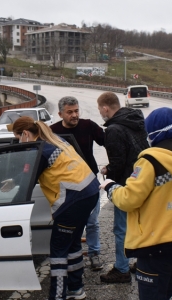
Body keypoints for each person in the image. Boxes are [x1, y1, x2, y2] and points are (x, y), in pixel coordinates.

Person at [100, 107, 172, 299]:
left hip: (156, 245)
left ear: (153, 131)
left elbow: (129, 200)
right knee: (166, 292)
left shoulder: (150, 162)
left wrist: (111, 187)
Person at [7, 116, 99, 300]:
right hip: (89, 193)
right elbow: (28, 171)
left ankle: (57, 296)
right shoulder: (54, 140)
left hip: (73, 200)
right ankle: (76, 289)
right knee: (72, 244)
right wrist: (14, 179)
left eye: (17, 137)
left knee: (58, 251)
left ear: (25, 134)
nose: (17, 141)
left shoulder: (39, 150)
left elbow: (29, 180)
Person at [96, 91, 149, 283]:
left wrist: (109, 177)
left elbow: (118, 163)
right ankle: (142, 262)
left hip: (126, 185)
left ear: (105, 108)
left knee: (121, 229)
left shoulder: (113, 130)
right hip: (144, 181)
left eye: (100, 109)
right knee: (141, 226)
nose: (101, 113)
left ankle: (122, 268)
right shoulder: (137, 120)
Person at [50, 96, 106, 271]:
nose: (74, 115)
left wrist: (113, 164)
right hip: (66, 187)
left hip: (90, 183)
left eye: (76, 111)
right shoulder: (53, 132)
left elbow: (110, 142)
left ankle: (94, 253)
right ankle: (70, 254)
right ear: (60, 114)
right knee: (69, 223)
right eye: (70, 112)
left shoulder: (88, 126)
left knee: (92, 221)